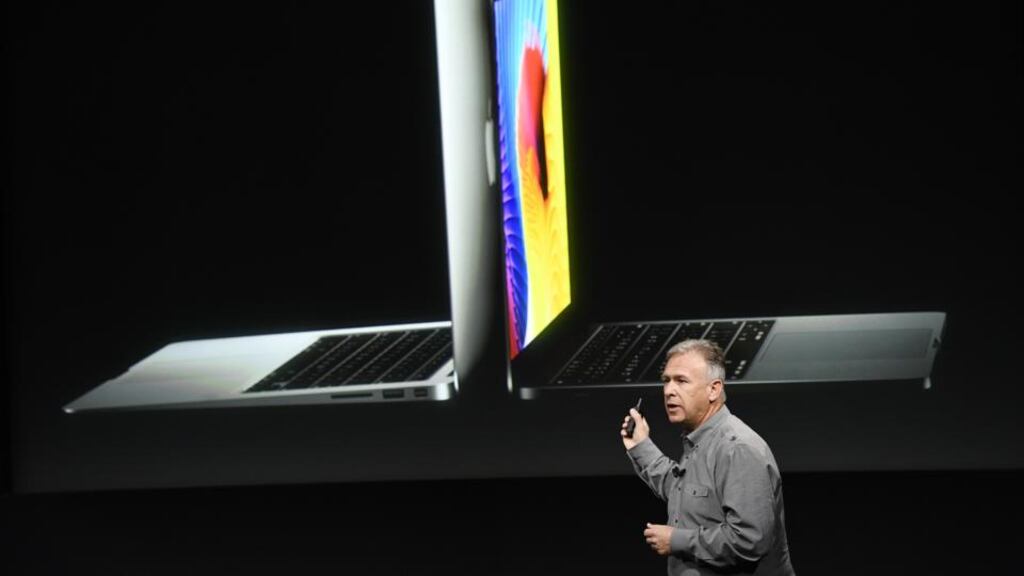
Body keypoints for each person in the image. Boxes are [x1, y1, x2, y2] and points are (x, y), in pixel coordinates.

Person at [620, 339, 795, 575]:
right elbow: (681, 492)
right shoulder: (700, 441)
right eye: (666, 381)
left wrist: (676, 540)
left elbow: (750, 540)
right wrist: (640, 446)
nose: (669, 390)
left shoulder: (738, 448)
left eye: (681, 381)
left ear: (713, 389)